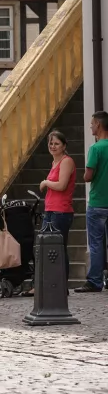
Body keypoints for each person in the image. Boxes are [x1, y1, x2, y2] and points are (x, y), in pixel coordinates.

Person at [39, 130, 76, 291]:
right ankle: (51, 284)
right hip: (50, 210)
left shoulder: (66, 161)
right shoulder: (54, 162)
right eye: (51, 143)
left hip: (61, 211)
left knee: (58, 249)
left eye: (56, 143)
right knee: (46, 248)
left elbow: (61, 185)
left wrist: (46, 182)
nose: (53, 146)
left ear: (64, 145)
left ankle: (61, 286)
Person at [77, 112, 108, 293]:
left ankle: (95, 281)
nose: (90, 127)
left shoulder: (96, 149)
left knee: (96, 244)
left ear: (98, 124)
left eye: (91, 124)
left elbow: (88, 176)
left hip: (97, 203)